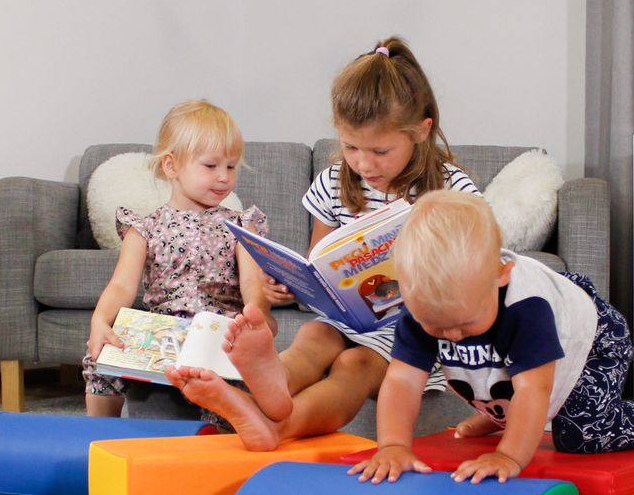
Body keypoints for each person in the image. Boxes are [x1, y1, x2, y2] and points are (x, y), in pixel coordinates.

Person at [166, 36, 479, 448]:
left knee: (355, 364)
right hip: (345, 319)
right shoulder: (334, 183)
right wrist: (288, 284)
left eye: (380, 150)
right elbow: (320, 263)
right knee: (314, 338)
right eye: (350, 147)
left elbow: (474, 272)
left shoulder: (453, 191)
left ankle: (276, 425)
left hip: (413, 330)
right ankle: (272, 382)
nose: (363, 163)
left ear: (422, 131)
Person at [347, 190, 634, 485]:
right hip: (526, 355)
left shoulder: (526, 309)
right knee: (502, 384)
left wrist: (508, 455)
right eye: (435, 326)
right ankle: (504, 416)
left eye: (464, 323)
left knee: (582, 434)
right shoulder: (425, 307)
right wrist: (393, 446)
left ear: (502, 274)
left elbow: (534, 389)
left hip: (591, 340)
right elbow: (403, 381)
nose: (451, 335)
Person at [82, 99, 273, 417]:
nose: (224, 177)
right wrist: (100, 321)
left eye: (231, 167)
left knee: (233, 376)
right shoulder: (144, 227)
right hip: (163, 335)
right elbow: (121, 285)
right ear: (171, 166)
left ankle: (226, 420)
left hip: (219, 334)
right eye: (211, 166)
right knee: (102, 350)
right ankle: (101, 432)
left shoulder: (241, 225)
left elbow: (253, 281)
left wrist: (257, 316)